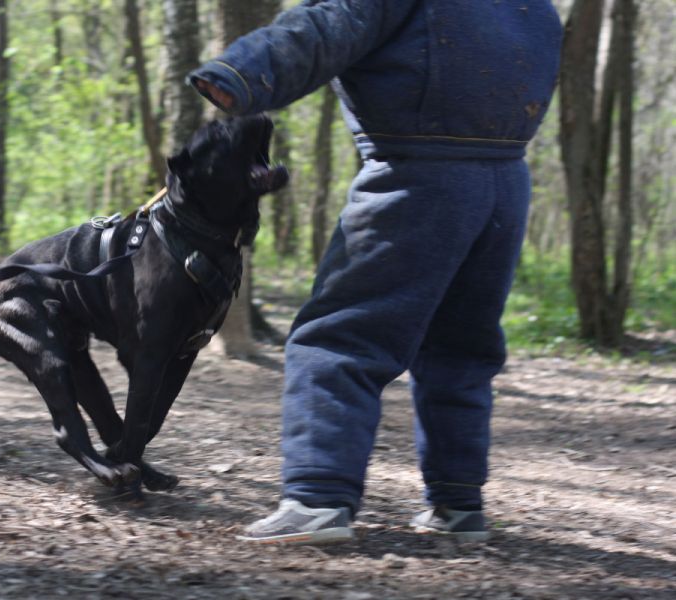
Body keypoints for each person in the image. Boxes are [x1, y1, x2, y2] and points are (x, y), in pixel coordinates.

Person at [187, 0, 562, 544]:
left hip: (415, 180)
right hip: (505, 185)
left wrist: (239, 73)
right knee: (459, 348)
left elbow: (325, 24)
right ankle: (457, 504)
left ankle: (317, 499)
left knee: (339, 337)